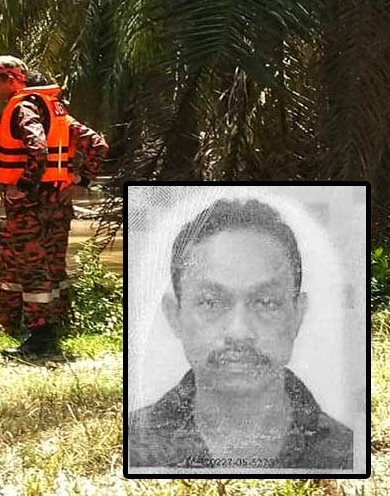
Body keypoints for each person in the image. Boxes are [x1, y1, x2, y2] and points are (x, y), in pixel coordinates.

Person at [127, 197, 353, 470]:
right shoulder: (131, 447)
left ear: (297, 315)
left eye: (266, 302)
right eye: (211, 302)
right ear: (174, 315)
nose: (239, 331)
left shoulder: (348, 455)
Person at [0, 55, 108, 359]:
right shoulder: (55, 109)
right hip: (57, 202)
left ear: (13, 80)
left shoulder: (23, 108)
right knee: (51, 264)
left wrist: (23, 185)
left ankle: (40, 337)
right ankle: (45, 323)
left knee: (32, 267)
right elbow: (97, 144)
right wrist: (81, 179)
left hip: (31, 205)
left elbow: (38, 147)